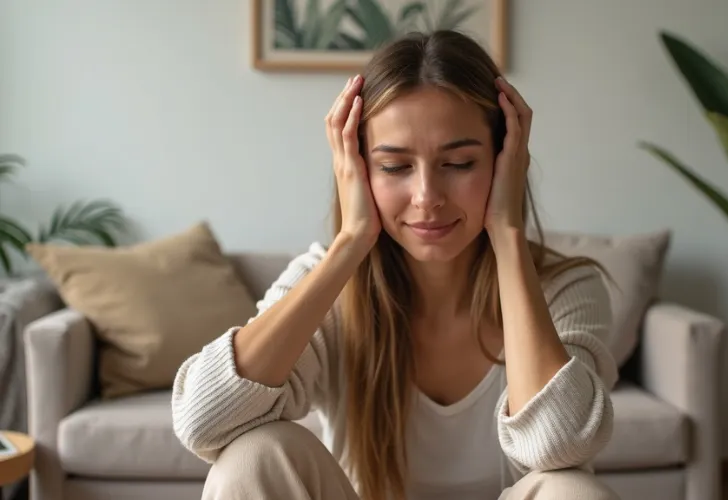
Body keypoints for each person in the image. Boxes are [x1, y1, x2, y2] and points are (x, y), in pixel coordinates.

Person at [171, 29, 621, 500]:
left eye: (460, 163)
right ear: (358, 171)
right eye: (394, 167)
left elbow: (561, 445)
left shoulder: (568, 288)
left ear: (505, 162)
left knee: (572, 492)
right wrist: (350, 241)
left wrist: (507, 234)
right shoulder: (330, 283)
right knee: (254, 455)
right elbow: (203, 424)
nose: (427, 197)